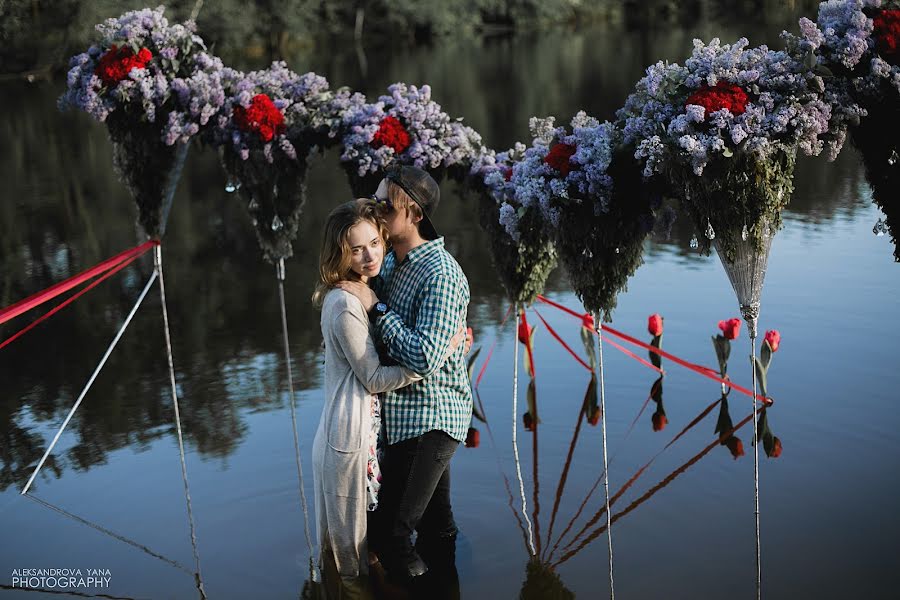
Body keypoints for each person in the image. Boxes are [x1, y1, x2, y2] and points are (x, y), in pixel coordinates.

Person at [311, 199, 464, 598]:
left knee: (400, 535)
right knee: (373, 544)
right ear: (340, 253)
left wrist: (450, 339)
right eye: (356, 249)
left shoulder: (384, 279)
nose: (369, 254)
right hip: (352, 431)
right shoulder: (347, 301)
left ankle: (436, 586)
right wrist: (437, 356)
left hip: (413, 420)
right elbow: (376, 377)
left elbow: (437, 317)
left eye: (374, 242)